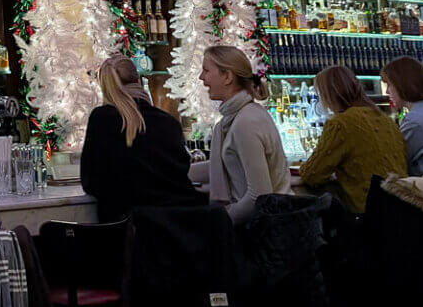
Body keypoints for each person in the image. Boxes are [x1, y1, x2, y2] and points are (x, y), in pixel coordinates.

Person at [80, 54, 203, 220]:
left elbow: (92, 182)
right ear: (138, 79)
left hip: (131, 230)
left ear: (105, 87)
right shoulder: (168, 122)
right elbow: (182, 171)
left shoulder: (103, 119)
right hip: (181, 227)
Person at [187, 45, 291, 223]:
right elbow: (223, 165)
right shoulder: (241, 116)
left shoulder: (245, 122)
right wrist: (175, 173)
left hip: (263, 233)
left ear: (227, 76)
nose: (201, 77)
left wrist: (220, 222)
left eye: (206, 70)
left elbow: (259, 197)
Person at [297, 65, 407, 214]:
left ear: (327, 94)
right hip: (403, 209)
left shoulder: (341, 124)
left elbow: (312, 174)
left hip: (370, 215)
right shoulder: (384, 119)